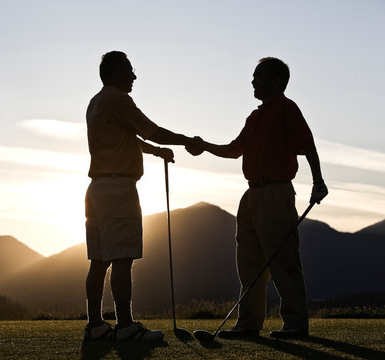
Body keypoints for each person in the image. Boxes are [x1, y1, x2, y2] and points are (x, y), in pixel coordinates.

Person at [189, 57, 328, 339]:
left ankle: (296, 325)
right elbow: (233, 149)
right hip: (251, 194)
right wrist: (204, 146)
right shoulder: (255, 117)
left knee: (283, 260)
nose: (252, 81)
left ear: (275, 81)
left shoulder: (287, 109)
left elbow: (307, 145)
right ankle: (248, 324)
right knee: (249, 262)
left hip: (276, 192)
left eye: (258, 76)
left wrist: (318, 181)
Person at [84, 51, 201, 341]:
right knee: (122, 258)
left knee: (99, 261)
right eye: (129, 71)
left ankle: (96, 326)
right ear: (114, 73)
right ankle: (125, 327)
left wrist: (156, 152)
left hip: (96, 189)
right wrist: (186, 140)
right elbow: (151, 131)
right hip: (118, 189)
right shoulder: (118, 99)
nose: (134, 76)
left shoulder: (96, 102)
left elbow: (129, 137)